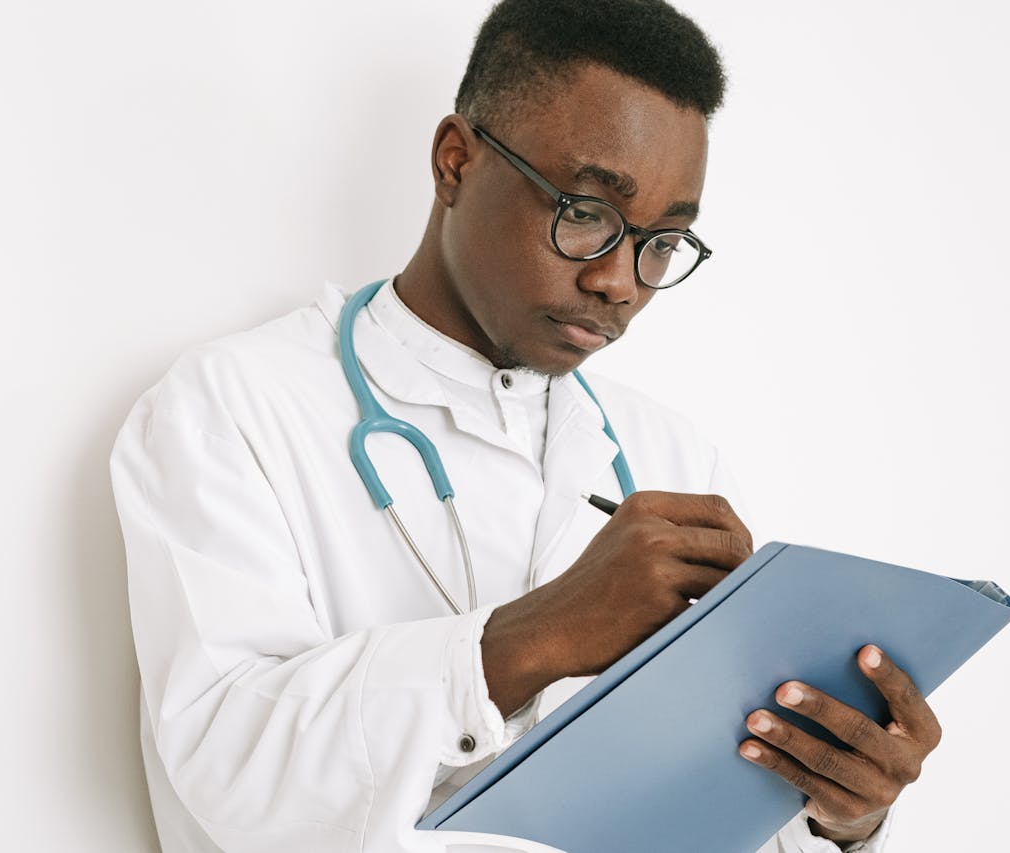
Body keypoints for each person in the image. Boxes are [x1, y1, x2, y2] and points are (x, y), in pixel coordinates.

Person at [109, 1, 942, 851]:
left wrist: (840, 812)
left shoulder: (667, 455)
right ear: (454, 163)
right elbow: (224, 767)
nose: (621, 281)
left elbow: (709, 806)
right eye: (584, 211)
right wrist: (535, 635)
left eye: (663, 242)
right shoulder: (233, 408)